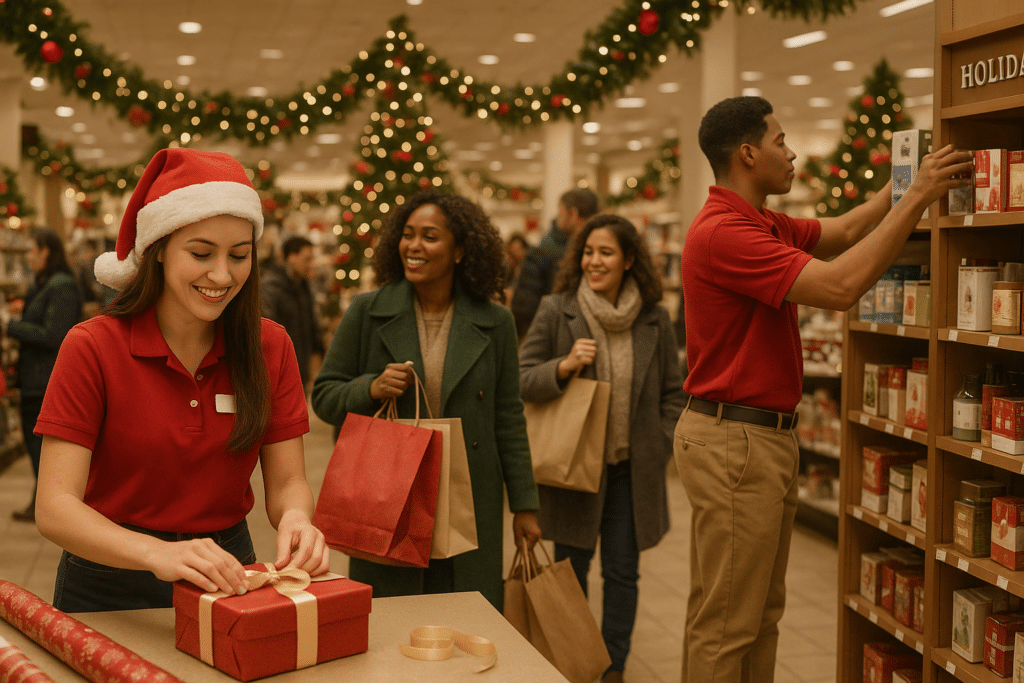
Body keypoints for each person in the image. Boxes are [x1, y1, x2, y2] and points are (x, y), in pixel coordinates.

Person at [676, 96, 972, 682]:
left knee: (760, 614)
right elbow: (839, 287)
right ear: (747, 153)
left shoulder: (763, 220)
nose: (792, 153)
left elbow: (844, 230)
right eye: (781, 141)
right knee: (727, 624)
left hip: (759, 439)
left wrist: (907, 180)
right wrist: (916, 199)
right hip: (736, 442)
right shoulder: (723, 233)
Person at [34, 148, 330, 613]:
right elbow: (54, 506)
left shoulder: (270, 347)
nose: (221, 274)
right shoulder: (93, 347)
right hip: (108, 578)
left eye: (239, 255)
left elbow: (289, 478)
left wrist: (296, 518)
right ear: (158, 252)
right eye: (200, 253)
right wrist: (158, 553)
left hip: (229, 573)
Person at [311, 189, 541, 610]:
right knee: (392, 623)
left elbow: (508, 416)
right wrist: (370, 388)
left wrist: (525, 505)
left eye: (430, 236)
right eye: (408, 234)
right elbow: (324, 397)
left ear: (460, 250)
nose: (414, 246)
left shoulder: (496, 322)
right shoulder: (367, 311)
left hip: (470, 496)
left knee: (466, 619)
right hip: (389, 496)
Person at [519, 214, 685, 683]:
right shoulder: (558, 310)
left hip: (630, 473)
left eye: (606, 252)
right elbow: (522, 377)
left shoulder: (653, 317)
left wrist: (660, 441)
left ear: (629, 259)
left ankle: (613, 668)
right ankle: (573, 661)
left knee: (622, 575)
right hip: (573, 469)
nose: (594, 261)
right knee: (571, 574)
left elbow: (674, 392)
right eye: (588, 252)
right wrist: (565, 366)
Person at [8, 227, 81, 523]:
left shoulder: (61, 285)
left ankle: (50, 504)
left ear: (45, 251)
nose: (28, 257)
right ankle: (43, 501)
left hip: (47, 378)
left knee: (43, 447)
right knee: (35, 444)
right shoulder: (44, 284)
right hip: (35, 378)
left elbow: (53, 334)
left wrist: (10, 325)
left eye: (31, 250)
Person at [510, 188, 599, 338]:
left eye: (560, 211)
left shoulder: (541, 253)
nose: (557, 217)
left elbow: (524, 309)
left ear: (574, 213)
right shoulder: (605, 250)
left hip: (551, 337)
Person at [261, 235, 325, 392]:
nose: (311, 265)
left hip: (300, 370)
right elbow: (268, 334)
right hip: (278, 372)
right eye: (307, 259)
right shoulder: (271, 288)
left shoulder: (304, 286)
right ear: (291, 258)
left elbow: (311, 327)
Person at [502, 232, 529, 303]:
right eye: (513, 249)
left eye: (518, 249)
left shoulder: (529, 268)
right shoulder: (510, 267)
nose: (515, 253)